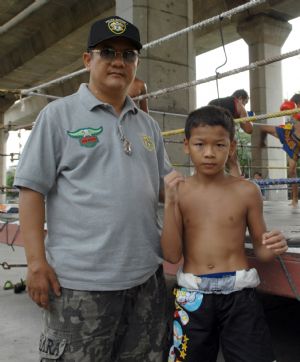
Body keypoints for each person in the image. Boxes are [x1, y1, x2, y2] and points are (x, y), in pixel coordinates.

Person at [14, 16, 172, 362]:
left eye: (128, 55)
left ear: (137, 63)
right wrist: (36, 263)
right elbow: (31, 191)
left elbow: (168, 188)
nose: (119, 61)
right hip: (80, 287)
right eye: (108, 52)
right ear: (88, 60)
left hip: (147, 281)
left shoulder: (147, 125)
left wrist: (227, 194)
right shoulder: (58, 117)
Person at [161, 105, 288, 362]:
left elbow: (262, 251)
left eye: (219, 145)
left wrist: (274, 244)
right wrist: (171, 203)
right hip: (193, 295)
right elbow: (172, 255)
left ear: (231, 147)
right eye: (200, 144)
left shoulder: (246, 191)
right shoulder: (180, 191)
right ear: (186, 145)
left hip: (239, 294)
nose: (209, 153)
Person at [259, 94, 300, 207]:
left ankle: (295, 199)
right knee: (292, 170)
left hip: (296, 137)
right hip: (290, 136)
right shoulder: (291, 111)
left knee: (292, 170)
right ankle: (294, 199)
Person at [209, 90, 253, 176]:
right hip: (222, 132)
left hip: (205, 131)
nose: (244, 105)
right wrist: (249, 118)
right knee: (233, 163)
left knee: (209, 161)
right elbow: (249, 129)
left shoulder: (213, 102)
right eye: (245, 103)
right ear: (240, 98)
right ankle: (237, 188)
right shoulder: (238, 105)